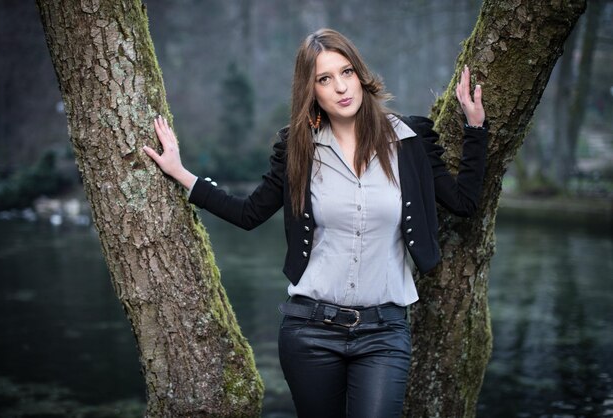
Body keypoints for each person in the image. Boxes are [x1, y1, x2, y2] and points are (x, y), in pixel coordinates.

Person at [143, 28, 487, 418]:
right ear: (312, 90)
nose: (341, 87)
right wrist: (181, 173)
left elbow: (463, 203)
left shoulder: (408, 140)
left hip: (384, 333)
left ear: (360, 75)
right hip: (310, 331)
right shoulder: (298, 149)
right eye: (325, 79)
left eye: (346, 72)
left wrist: (476, 130)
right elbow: (248, 214)